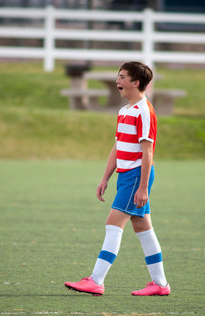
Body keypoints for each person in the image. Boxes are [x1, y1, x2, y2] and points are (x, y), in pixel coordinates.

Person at [64, 61, 170, 297]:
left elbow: (147, 152)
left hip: (136, 176)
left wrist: (143, 187)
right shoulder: (124, 111)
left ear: (136, 82)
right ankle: (160, 284)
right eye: (118, 76)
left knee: (113, 225)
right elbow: (117, 147)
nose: (117, 81)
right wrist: (105, 178)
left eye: (123, 77)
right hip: (126, 176)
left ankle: (96, 280)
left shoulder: (144, 110)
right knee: (143, 229)